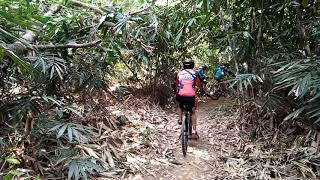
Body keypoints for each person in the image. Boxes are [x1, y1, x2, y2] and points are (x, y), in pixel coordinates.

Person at [174, 59, 202, 140]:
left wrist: (176, 91)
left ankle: (180, 119)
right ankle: (194, 131)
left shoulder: (179, 73)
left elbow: (176, 84)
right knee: (193, 111)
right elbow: (199, 84)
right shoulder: (195, 73)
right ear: (192, 65)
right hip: (191, 96)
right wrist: (201, 91)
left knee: (179, 105)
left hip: (180, 95)